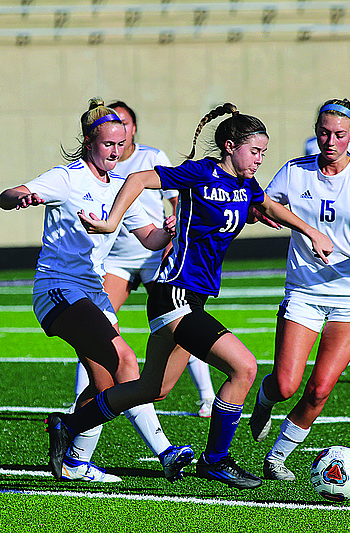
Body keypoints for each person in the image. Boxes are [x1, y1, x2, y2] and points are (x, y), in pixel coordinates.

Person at [58, 103, 334, 490]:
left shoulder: (245, 185)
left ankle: (68, 424)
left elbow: (266, 204)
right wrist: (110, 222)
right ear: (228, 145)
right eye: (254, 151)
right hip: (175, 294)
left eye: (263, 154)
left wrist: (309, 231)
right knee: (245, 368)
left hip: (194, 298)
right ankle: (216, 460)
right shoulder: (200, 172)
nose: (258, 160)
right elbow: (137, 179)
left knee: (152, 388)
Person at [0, 98, 194, 484]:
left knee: (104, 386)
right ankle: (165, 451)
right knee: (126, 360)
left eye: (121, 145)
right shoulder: (66, 178)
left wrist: (167, 231)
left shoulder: (121, 186)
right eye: (108, 145)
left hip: (93, 292)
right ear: (88, 142)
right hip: (58, 288)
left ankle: (74, 462)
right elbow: (5, 196)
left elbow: (148, 238)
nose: (116, 152)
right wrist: (22, 197)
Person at [247, 98, 350, 481]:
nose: (331, 141)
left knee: (320, 388)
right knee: (286, 384)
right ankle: (265, 397)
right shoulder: (295, 171)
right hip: (304, 291)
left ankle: (276, 458)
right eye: (324, 132)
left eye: (340, 134)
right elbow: (266, 206)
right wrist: (260, 212)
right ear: (316, 132)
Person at [73, 100, 217, 420]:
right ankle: (84, 404)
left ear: (132, 128)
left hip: (153, 252)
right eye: (109, 132)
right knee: (96, 332)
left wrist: (174, 229)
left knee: (182, 320)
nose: (116, 137)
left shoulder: (150, 157)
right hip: (117, 260)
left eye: (123, 126)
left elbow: (178, 199)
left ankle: (206, 396)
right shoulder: (97, 164)